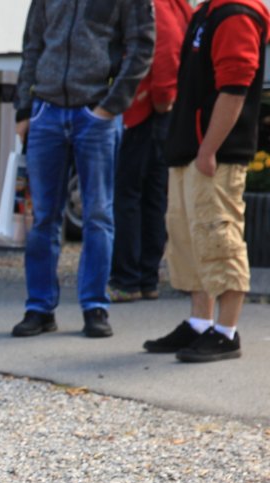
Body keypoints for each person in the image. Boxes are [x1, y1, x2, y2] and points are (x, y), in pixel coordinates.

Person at [12, 0, 154, 340]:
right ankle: (39, 308)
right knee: (43, 217)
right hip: (47, 111)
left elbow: (142, 46)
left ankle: (94, 306)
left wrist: (110, 106)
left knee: (98, 215)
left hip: (96, 113)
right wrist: (24, 109)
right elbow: (32, 45)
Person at [143, 0, 268, 363]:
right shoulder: (206, 12)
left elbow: (235, 88)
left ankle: (227, 332)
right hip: (190, 150)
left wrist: (209, 149)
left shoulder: (236, 13)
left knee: (219, 238)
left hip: (215, 154)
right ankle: (200, 323)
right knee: (188, 239)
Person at [109, 0, 192, 305]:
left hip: (144, 110)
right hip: (156, 110)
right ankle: (146, 278)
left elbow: (166, 49)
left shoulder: (154, 5)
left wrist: (162, 97)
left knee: (130, 195)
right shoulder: (174, 4)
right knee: (153, 196)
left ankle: (128, 279)